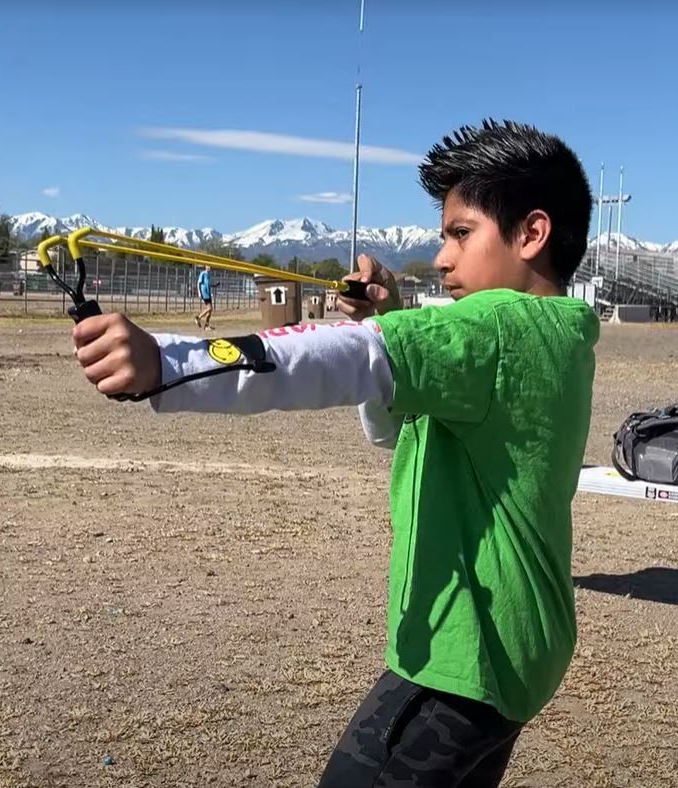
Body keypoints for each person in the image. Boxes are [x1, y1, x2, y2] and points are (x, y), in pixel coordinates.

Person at [71, 119, 598, 787]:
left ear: (532, 233)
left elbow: (345, 358)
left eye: (460, 233)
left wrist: (167, 363)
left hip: (468, 653)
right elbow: (390, 429)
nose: (441, 257)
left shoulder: (493, 326)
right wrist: (390, 321)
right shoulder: (553, 335)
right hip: (518, 643)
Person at [195, 265, 214, 330]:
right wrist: (199, 293)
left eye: (210, 266)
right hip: (204, 293)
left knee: (210, 310)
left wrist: (214, 285)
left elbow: (208, 284)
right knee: (209, 308)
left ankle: (206, 326)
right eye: (208, 266)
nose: (209, 267)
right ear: (205, 267)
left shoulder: (209, 274)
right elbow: (198, 283)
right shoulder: (203, 273)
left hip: (208, 293)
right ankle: (198, 318)